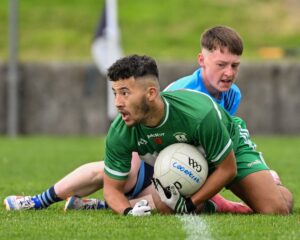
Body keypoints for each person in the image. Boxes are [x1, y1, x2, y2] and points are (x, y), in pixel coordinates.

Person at [4, 26, 290, 213]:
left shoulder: (221, 101)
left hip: (211, 154)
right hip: (168, 158)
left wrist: (206, 198)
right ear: (201, 61)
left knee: (275, 208)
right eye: (221, 65)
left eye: (234, 66)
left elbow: (220, 155)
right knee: (116, 173)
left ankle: (272, 187)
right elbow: (157, 139)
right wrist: (137, 178)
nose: (228, 72)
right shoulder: (177, 97)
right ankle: (38, 201)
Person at [101, 54, 293, 216]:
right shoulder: (120, 131)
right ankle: (210, 204)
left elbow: (228, 169)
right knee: (164, 208)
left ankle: (271, 182)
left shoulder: (199, 114)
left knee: (276, 209)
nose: (117, 103)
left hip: (228, 149)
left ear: (151, 93)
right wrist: (127, 211)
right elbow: (111, 189)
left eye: (125, 93)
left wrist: (190, 204)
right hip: (186, 167)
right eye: (115, 93)